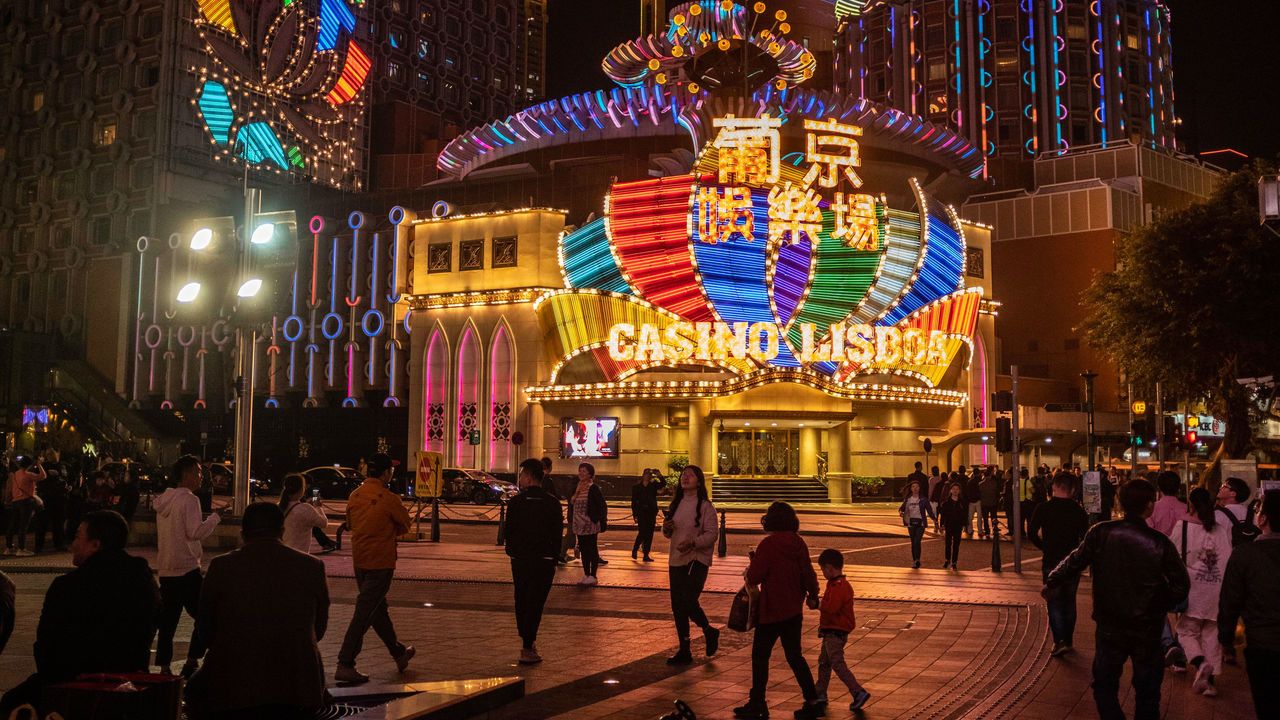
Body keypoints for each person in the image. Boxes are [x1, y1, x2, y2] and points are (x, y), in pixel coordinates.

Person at [1043, 479, 1189, 720]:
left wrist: (1052, 581)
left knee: (1104, 684)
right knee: (1148, 689)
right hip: (1148, 626)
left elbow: (1075, 560)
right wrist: (1158, 604)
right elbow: (1181, 585)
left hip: (1110, 622)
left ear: (1120, 502)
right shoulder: (1159, 543)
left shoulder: (1101, 532)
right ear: (1149, 505)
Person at [0, 511, 159, 717]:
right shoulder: (144, 581)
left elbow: (46, 647)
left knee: (12, 703)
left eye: (77, 537)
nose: (73, 544)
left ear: (95, 544)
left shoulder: (68, 586)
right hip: (130, 682)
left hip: (73, 685)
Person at [184, 503, 329, 720]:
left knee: (192, 693)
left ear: (243, 534)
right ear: (282, 531)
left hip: (234, 681)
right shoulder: (312, 566)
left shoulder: (221, 566)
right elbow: (319, 628)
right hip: (298, 684)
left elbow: (205, 629)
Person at [735, 502, 822, 720]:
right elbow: (808, 573)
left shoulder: (768, 544)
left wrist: (753, 565)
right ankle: (812, 699)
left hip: (771, 609)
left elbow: (754, 576)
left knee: (760, 657)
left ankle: (758, 702)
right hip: (793, 608)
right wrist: (813, 594)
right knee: (795, 656)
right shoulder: (798, 543)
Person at [336, 452, 415, 684]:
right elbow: (405, 525)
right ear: (385, 473)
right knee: (364, 613)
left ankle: (399, 653)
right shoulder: (389, 498)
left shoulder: (355, 495)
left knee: (376, 610)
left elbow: (350, 525)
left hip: (360, 562)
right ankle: (345, 662)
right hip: (381, 562)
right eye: (391, 469)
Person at [154, 454, 221, 677]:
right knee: (206, 616)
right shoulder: (190, 500)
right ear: (187, 474)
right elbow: (195, 532)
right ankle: (192, 660)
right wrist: (214, 518)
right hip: (187, 568)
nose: (201, 476)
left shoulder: (165, 499)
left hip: (166, 568)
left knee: (168, 622)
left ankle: (163, 667)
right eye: (198, 472)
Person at [1218, 489, 1280, 716]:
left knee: (1267, 704)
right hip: (1262, 642)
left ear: (1262, 519)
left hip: (1263, 645)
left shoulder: (1245, 554)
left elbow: (1230, 600)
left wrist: (1226, 639)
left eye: (1258, 508)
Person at [1169, 487, 1232, 698]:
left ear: (1191, 504)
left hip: (1193, 591)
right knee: (1212, 636)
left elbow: (1171, 556)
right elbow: (1228, 560)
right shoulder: (1220, 529)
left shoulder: (1183, 526)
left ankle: (1199, 662)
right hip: (1217, 591)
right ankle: (1210, 683)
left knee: (1186, 631)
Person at [505, 458, 563, 665]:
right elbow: (558, 534)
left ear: (529, 477)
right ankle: (528, 644)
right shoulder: (552, 503)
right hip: (544, 561)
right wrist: (553, 556)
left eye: (522, 475)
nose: (520, 479)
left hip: (521, 559)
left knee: (521, 599)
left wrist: (512, 552)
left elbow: (508, 532)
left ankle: (526, 641)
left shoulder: (516, 502)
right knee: (536, 602)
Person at [662, 465, 719, 665]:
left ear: (699, 480)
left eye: (690, 474)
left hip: (697, 559)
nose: (685, 477)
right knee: (678, 605)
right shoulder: (676, 504)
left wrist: (693, 543)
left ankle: (707, 631)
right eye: (683, 475)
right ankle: (686, 647)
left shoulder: (705, 507)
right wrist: (666, 529)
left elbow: (712, 534)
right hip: (676, 559)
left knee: (687, 601)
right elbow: (669, 533)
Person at [1029, 472, 1089, 657]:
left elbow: (1031, 533)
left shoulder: (1043, 508)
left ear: (1054, 487)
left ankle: (1059, 640)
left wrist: (1044, 546)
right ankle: (1068, 640)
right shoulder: (1078, 511)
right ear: (1072, 489)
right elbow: (1085, 538)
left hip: (1051, 561)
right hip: (1071, 563)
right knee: (1069, 601)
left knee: (1053, 601)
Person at [813, 549, 870, 712]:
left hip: (836, 632)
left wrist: (818, 605)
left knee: (837, 663)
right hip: (830, 631)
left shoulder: (839, 586)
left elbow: (832, 608)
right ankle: (820, 692)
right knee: (824, 662)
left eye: (823, 569)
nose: (823, 573)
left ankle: (858, 691)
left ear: (830, 568)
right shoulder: (835, 584)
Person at [278, 473, 337, 554]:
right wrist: (318, 507)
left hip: (282, 554)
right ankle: (326, 543)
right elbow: (324, 523)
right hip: (299, 556)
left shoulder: (278, 507)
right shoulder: (305, 508)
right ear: (302, 489)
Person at [570, 462, 607, 585]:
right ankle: (586, 574)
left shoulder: (593, 487)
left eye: (584, 471)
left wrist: (598, 519)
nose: (581, 473)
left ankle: (593, 575)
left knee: (591, 549)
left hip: (590, 524)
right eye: (580, 470)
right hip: (579, 524)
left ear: (590, 474)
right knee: (584, 550)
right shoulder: (578, 487)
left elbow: (602, 505)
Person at [5, 455, 44, 556]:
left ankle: (9, 548)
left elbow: (10, 488)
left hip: (15, 502)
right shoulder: (28, 474)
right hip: (26, 502)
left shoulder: (15, 475)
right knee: (23, 526)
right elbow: (43, 476)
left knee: (12, 525)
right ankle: (21, 549)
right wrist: (39, 465)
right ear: (29, 465)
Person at [898, 478, 935, 569]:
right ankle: (915, 560)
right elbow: (901, 508)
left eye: (917, 487)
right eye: (913, 487)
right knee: (913, 542)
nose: (915, 488)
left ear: (919, 488)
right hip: (910, 523)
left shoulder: (923, 499)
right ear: (911, 488)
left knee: (917, 541)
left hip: (921, 523)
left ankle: (917, 559)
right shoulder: (908, 499)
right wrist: (901, 512)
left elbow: (929, 511)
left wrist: (935, 520)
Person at [545, 456, 574, 565]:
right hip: (550, 514)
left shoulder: (540, 480)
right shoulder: (548, 480)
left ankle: (559, 554)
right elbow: (553, 497)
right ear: (550, 467)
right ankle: (559, 554)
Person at [631, 468, 661, 561]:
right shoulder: (637, 487)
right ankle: (635, 549)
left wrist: (659, 475)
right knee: (642, 532)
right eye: (646, 474)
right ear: (643, 475)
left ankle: (646, 554)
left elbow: (663, 484)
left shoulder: (653, 485)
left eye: (650, 474)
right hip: (641, 512)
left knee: (649, 534)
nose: (648, 476)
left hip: (651, 512)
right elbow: (633, 502)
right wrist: (635, 514)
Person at [938, 482, 967, 569]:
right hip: (949, 525)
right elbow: (943, 515)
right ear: (950, 490)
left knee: (956, 544)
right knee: (948, 543)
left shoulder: (962, 502)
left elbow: (965, 515)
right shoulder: (946, 502)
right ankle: (947, 560)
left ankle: (954, 562)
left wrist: (965, 524)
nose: (955, 491)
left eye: (957, 489)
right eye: (953, 489)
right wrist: (942, 524)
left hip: (958, 526)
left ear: (959, 491)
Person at [1147, 471, 1184, 536]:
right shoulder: (1186, 509)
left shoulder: (1151, 508)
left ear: (1159, 488)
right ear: (1178, 488)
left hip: (1158, 545)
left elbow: (1149, 533)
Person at [979, 467, 1001, 539]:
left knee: (985, 518)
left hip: (984, 503)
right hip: (993, 502)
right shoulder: (994, 483)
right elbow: (997, 492)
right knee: (993, 517)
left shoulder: (981, 484)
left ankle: (987, 531)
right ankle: (995, 530)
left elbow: (979, 494)